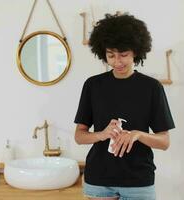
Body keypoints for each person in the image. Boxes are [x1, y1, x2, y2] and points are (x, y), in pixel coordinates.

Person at [74, 13, 175, 200]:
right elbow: (79, 136)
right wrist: (102, 134)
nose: (117, 62)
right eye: (111, 55)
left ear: (136, 51)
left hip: (138, 182)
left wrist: (137, 134)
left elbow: (164, 142)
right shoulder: (93, 85)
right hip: (99, 181)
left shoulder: (152, 87)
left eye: (124, 55)